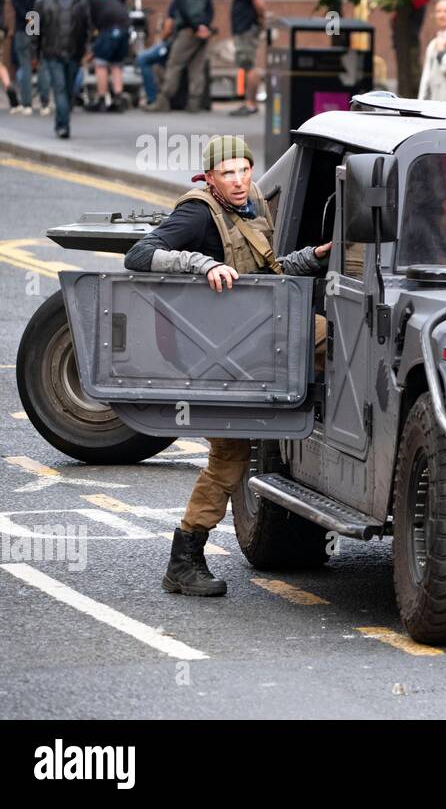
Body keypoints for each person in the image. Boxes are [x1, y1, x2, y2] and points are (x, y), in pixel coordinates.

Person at [123, 135, 330, 596]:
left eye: (244, 169)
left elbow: (268, 276)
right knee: (229, 459)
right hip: (224, 350)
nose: (238, 181)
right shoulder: (198, 211)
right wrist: (202, 265)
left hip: (260, 333)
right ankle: (185, 559)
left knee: (334, 342)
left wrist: (314, 257)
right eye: (228, 173)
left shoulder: (253, 203)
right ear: (210, 177)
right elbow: (137, 255)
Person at [32, 0, 91, 139]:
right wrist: (33, 54)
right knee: (59, 88)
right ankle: (64, 126)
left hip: (74, 53)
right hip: (52, 53)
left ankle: (60, 122)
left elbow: (88, 27)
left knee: (69, 90)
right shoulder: (41, 2)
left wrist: (87, 49)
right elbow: (32, 29)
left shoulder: (80, 1)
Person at [147, 0, 212, 112]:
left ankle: (163, 101)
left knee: (174, 65)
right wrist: (205, 27)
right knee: (196, 67)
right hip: (203, 31)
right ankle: (194, 103)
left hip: (187, 30)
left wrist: (196, 27)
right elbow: (210, 8)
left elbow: (183, 9)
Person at [71, 0, 131, 111]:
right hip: (124, 25)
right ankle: (118, 96)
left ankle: (102, 98)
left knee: (100, 63)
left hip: (109, 27)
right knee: (117, 62)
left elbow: (83, 20)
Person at [8, 0, 51, 115]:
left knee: (25, 64)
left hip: (24, 26)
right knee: (42, 65)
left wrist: (29, 18)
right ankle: (45, 103)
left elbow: (17, 6)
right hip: (42, 27)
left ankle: (26, 104)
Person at [228, 0, 265, 116]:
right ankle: (248, 102)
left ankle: (251, 104)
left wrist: (262, 20)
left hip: (247, 28)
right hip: (242, 28)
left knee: (249, 65)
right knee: (245, 64)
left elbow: (258, 1)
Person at [135, 5, 173, 107]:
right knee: (151, 61)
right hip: (175, 43)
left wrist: (164, 38)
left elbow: (168, 27)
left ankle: (152, 98)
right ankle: (155, 96)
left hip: (171, 43)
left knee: (143, 59)